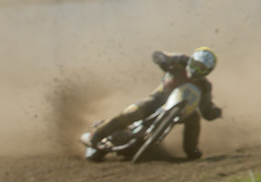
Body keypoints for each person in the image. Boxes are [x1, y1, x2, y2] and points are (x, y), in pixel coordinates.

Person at [81, 47, 222, 159]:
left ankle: (192, 149)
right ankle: (96, 135)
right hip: (159, 97)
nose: (197, 70)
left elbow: (206, 111)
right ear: (191, 60)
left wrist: (214, 112)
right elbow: (158, 55)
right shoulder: (180, 60)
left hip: (183, 109)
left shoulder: (205, 87)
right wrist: (163, 61)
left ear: (208, 71)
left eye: (202, 68)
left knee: (194, 118)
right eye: (196, 65)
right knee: (134, 112)